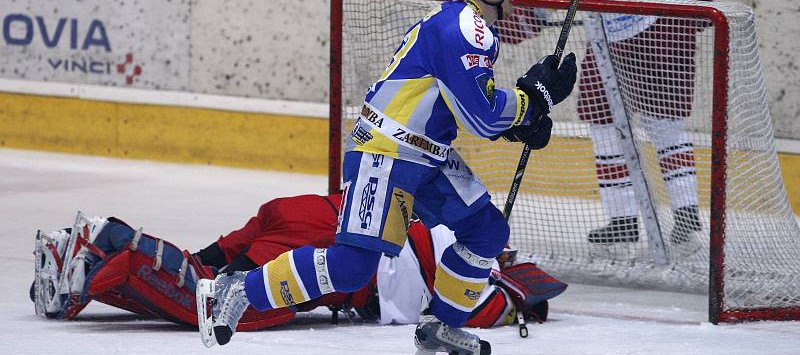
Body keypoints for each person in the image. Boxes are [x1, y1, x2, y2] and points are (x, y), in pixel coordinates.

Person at [196, 0, 577, 354]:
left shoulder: (469, 23)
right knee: (351, 269)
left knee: (486, 230)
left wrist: (519, 121)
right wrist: (532, 101)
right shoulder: (465, 29)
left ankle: (440, 327)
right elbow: (482, 116)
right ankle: (238, 288)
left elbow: (455, 102)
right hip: (388, 152)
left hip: (427, 153)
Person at [535, 0, 724, 246]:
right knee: (666, 121)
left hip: (618, 29)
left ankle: (622, 217)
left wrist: (527, 14)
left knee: (603, 120)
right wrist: (697, 4)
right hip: (675, 20)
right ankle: (687, 211)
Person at [32, 193, 567, 330]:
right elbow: (479, 310)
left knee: (201, 268)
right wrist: (523, 309)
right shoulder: (465, 265)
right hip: (323, 245)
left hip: (304, 211)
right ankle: (115, 248)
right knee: (218, 304)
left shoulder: (451, 211)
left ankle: (77, 254)